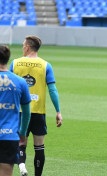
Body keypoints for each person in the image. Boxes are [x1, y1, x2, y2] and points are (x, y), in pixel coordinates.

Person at [9, 35, 63, 176]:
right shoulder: (46, 65)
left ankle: (22, 167)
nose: (22, 47)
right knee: (39, 147)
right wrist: (58, 111)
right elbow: (52, 90)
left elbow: (8, 86)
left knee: (21, 143)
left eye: (23, 45)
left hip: (20, 111)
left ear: (27, 47)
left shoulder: (15, 63)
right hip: (38, 112)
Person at [0, 45, 31, 176]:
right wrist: (23, 133)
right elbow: (26, 112)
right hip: (10, 135)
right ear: (7, 59)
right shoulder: (20, 82)